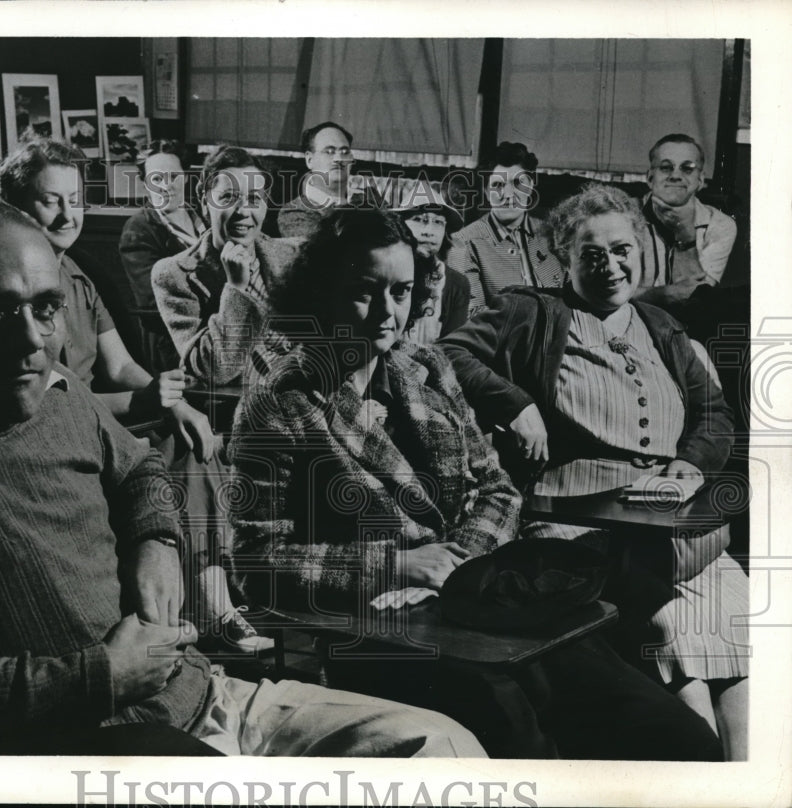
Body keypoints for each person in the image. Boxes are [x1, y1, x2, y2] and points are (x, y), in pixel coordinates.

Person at [0, 198, 485, 757]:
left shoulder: (61, 395)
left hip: (213, 696)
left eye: (48, 309)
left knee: (442, 746)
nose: (32, 342)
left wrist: (158, 541)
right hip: (95, 744)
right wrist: (101, 676)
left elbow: (143, 473)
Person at [228, 207, 725, 761]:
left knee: (676, 737)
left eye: (402, 291)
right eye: (364, 291)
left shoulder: (425, 366)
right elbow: (253, 561)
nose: (386, 313)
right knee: (531, 752)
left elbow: (497, 487)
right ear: (322, 290)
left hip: (488, 603)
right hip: (386, 631)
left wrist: (459, 562)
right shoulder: (281, 396)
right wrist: (395, 564)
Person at [439, 184, 748, 760]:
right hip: (581, 529)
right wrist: (515, 403)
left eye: (622, 249)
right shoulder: (530, 311)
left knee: (746, 623)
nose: (611, 265)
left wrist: (687, 464)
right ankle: (694, 773)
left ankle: (747, 782)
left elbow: (714, 413)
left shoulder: (662, 326)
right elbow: (446, 354)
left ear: (640, 251)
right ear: (564, 257)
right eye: (592, 254)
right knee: (674, 630)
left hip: (679, 527)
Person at [0, 138, 268, 654]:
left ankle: (207, 600)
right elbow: (39, 401)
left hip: (97, 418)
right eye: (52, 200)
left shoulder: (76, 276)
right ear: (16, 207)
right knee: (174, 442)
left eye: (76, 199)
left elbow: (119, 366)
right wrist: (146, 405)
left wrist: (179, 403)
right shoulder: (12, 284)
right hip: (48, 429)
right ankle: (205, 604)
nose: (68, 213)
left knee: (189, 432)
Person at [152, 145, 300, 386]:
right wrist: (236, 288)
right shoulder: (174, 274)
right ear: (204, 201)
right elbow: (215, 370)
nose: (243, 211)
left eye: (254, 199)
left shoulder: (291, 255)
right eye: (228, 198)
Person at [118, 139, 207, 374]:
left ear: (186, 177)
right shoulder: (138, 229)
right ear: (145, 184)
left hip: (215, 332)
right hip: (171, 345)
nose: (166, 186)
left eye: (173, 176)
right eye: (157, 179)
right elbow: (153, 299)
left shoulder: (204, 217)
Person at [448, 142, 564, 315]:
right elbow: (473, 316)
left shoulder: (553, 235)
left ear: (530, 186)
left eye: (518, 183)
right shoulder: (463, 243)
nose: (508, 194)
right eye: (498, 185)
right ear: (486, 192)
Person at [637, 133, 737, 309]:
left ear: (700, 180)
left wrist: (685, 234)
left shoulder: (721, 224)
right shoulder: (620, 215)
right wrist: (659, 295)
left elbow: (693, 299)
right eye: (666, 167)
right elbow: (602, 291)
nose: (675, 176)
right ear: (650, 178)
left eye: (687, 168)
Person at [277, 121, 379, 239]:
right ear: (310, 160)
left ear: (351, 159)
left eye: (345, 152)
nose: (338, 159)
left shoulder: (370, 196)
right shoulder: (294, 213)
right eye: (329, 152)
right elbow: (327, 253)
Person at [395, 182, 470, 343]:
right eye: (419, 219)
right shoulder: (388, 273)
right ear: (401, 225)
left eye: (438, 222)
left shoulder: (456, 284)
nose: (428, 231)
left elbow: (454, 348)